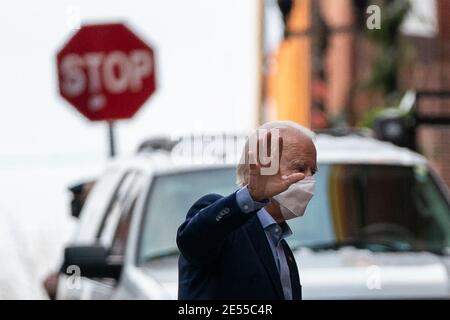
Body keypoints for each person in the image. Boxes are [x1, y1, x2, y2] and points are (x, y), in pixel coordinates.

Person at [177, 121, 317, 300]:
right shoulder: (225, 224)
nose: (309, 179)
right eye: (299, 168)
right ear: (264, 166)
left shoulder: (282, 249)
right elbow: (191, 241)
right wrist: (251, 196)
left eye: (313, 171)